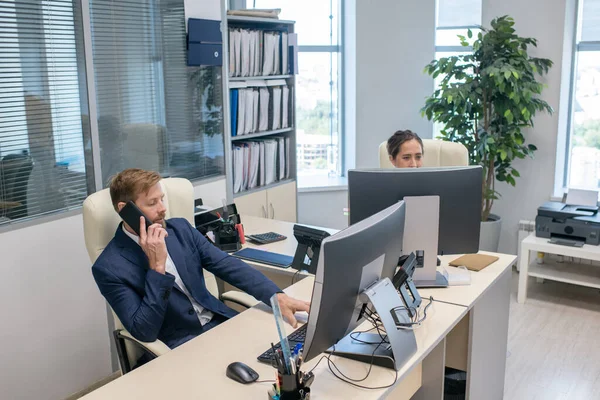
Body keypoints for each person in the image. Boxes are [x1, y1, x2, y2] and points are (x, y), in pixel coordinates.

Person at [92, 169, 309, 351]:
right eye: (152, 203)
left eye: (162, 199)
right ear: (125, 210)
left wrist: (277, 297)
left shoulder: (180, 229)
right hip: (178, 347)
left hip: (220, 324)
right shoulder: (109, 268)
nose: (163, 209)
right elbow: (144, 331)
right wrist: (157, 268)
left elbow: (228, 266)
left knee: (282, 354)